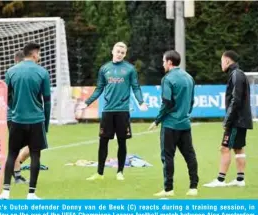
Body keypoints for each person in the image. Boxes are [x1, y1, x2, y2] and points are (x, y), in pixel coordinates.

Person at [82, 42, 148, 181]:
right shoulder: (104, 69)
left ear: (125, 54)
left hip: (123, 111)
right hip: (107, 111)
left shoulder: (130, 69)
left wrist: (141, 102)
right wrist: (87, 102)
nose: (120, 54)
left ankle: (120, 172)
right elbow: (99, 88)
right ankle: (99, 173)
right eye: (118, 51)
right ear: (112, 51)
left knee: (122, 142)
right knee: (103, 141)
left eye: (122, 53)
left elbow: (135, 87)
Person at [0, 43, 51, 199]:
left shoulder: (11, 71)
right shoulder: (42, 72)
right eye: (39, 54)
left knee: (12, 154)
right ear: (34, 55)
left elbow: (5, 97)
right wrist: (46, 123)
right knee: (35, 155)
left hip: (17, 119)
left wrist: (15, 108)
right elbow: (47, 101)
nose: (39, 57)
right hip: (36, 120)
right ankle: (31, 194)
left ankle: (6, 192)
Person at [148, 50, 198, 197]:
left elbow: (167, 102)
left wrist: (157, 120)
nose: (162, 64)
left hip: (170, 125)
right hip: (185, 124)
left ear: (169, 62)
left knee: (168, 156)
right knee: (190, 155)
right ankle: (193, 187)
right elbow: (191, 101)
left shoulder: (167, 79)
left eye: (163, 61)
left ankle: (168, 189)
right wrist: (185, 114)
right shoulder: (189, 78)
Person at [203, 50, 253, 188]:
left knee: (225, 148)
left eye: (221, 61)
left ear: (227, 61)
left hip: (236, 120)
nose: (221, 64)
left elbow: (235, 100)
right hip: (242, 119)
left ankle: (220, 180)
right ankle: (240, 179)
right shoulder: (238, 74)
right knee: (239, 148)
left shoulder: (236, 75)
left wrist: (227, 120)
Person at [6, 50, 30, 184]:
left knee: (33, 145)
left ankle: (16, 167)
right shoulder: (14, 73)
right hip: (16, 116)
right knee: (21, 146)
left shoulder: (13, 73)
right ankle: (16, 174)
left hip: (20, 116)